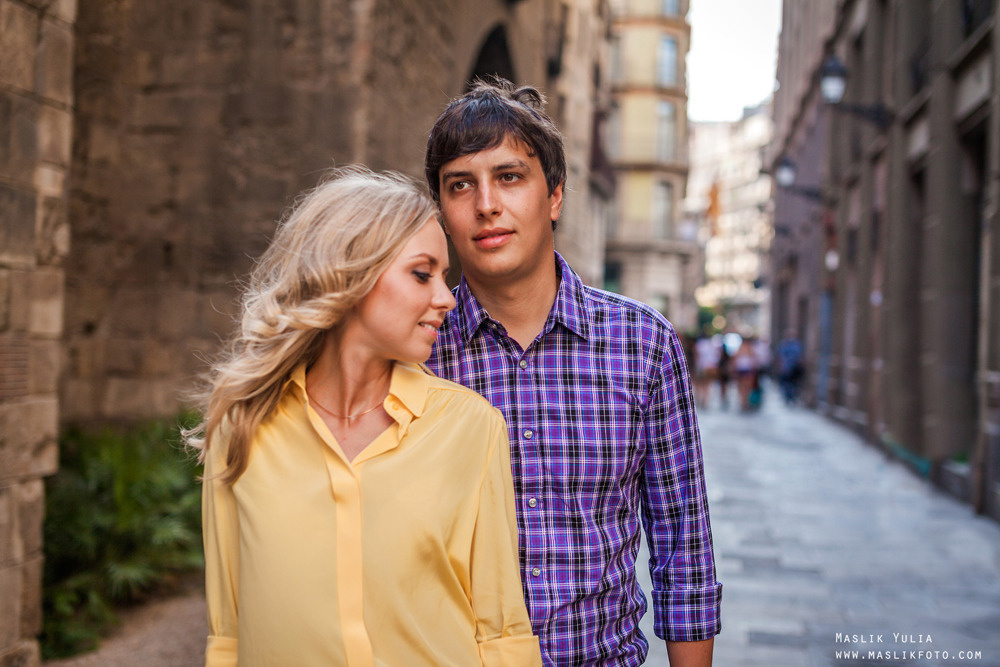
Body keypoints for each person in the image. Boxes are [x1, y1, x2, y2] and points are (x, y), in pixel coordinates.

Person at [187, 167, 542, 666]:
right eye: (422, 274)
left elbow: (501, 631)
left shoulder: (470, 427)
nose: (446, 298)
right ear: (349, 274)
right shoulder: (242, 426)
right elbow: (227, 633)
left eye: (445, 277)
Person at [424, 78, 721, 666]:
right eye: (461, 184)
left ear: (555, 196)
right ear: (442, 213)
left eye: (510, 177)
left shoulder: (643, 345)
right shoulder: (418, 349)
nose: (486, 204)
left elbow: (683, 549)